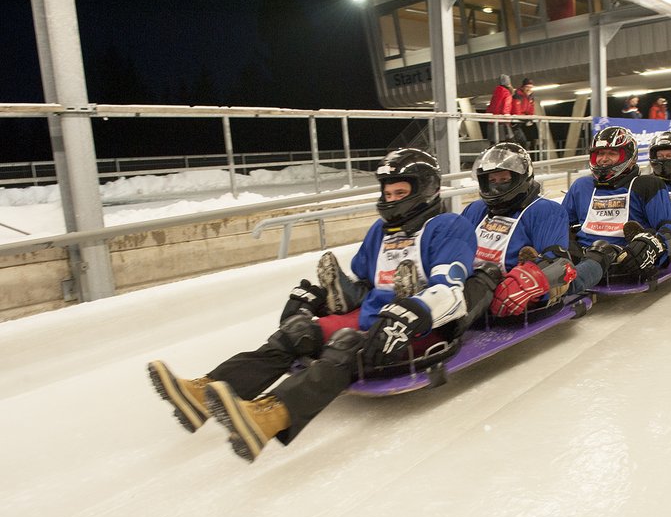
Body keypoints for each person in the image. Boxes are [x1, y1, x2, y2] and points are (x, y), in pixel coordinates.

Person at [148, 148, 478, 462]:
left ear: (426, 190)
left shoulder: (449, 227)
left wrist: (414, 311)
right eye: (387, 193)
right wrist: (322, 297)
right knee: (299, 332)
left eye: (400, 193)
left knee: (345, 345)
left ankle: (270, 416)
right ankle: (202, 395)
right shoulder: (382, 231)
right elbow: (364, 281)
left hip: (419, 327)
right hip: (371, 314)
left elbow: (450, 289)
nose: (391, 201)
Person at [461, 142, 578, 317]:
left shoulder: (544, 210)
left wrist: (527, 281)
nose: (496, 187)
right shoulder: (476, 209)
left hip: (512, 292)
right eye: (492, 181)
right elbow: (458, 245)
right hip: (469, 283)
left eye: (504, 180)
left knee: (489, 276)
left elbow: (559, 263)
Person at [562, 127, 671, 293]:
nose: (603, 160)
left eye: (612, 154)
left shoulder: (646, 185)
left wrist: (652, 244)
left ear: (629, 157)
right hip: (581, 255)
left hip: (623, 258)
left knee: (601, 251)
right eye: (599, 154)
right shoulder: (581, 186)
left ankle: (565, 288)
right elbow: (562, 224)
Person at [486, 74, 515, 144]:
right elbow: (506, 108)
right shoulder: (507, 93)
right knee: (510, 143)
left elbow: (491, 106)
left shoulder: (496, 91)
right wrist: (508, 120)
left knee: (494, 144)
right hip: (502, 123)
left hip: (492, 122)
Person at [511, 78, 537, 150]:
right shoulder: (517, 96)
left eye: (531, 87)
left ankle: (522, 158)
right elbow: (516, 112)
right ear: (523, 87)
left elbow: (531, 111)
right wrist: (527, 117)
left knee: (525, 142)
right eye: (527, 87)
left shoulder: (530, 97)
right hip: (513, 124)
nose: (529, 89)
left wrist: (529, 117)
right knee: (519, 143)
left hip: (521, 123)